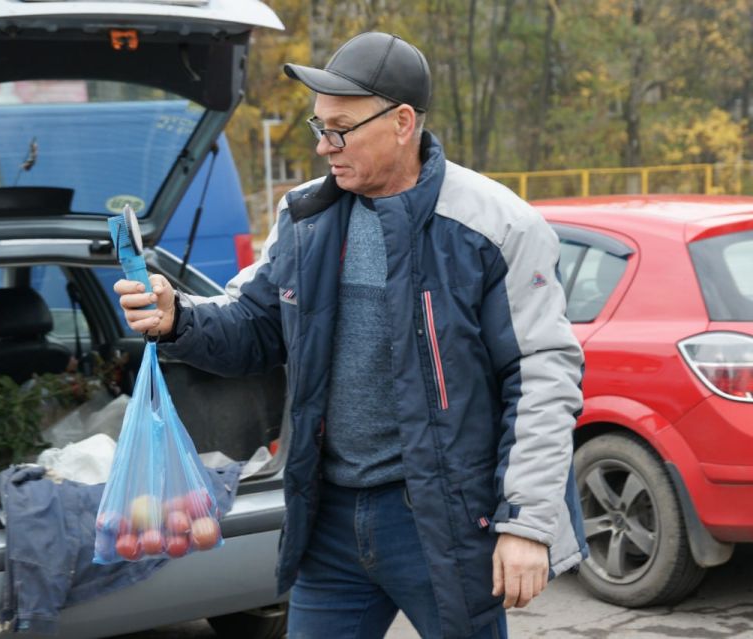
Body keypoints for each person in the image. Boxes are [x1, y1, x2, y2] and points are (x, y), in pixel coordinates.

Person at [115, 31, 586, 639]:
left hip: (441, 518)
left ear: (402, 122)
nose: (322, 147)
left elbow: (543, 377)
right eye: (319, 128)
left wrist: (524, 524)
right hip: (330, 519)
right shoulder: (306, 217)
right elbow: (257, 325)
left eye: (339, 129)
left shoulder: (495, 227)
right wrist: (178, 315)